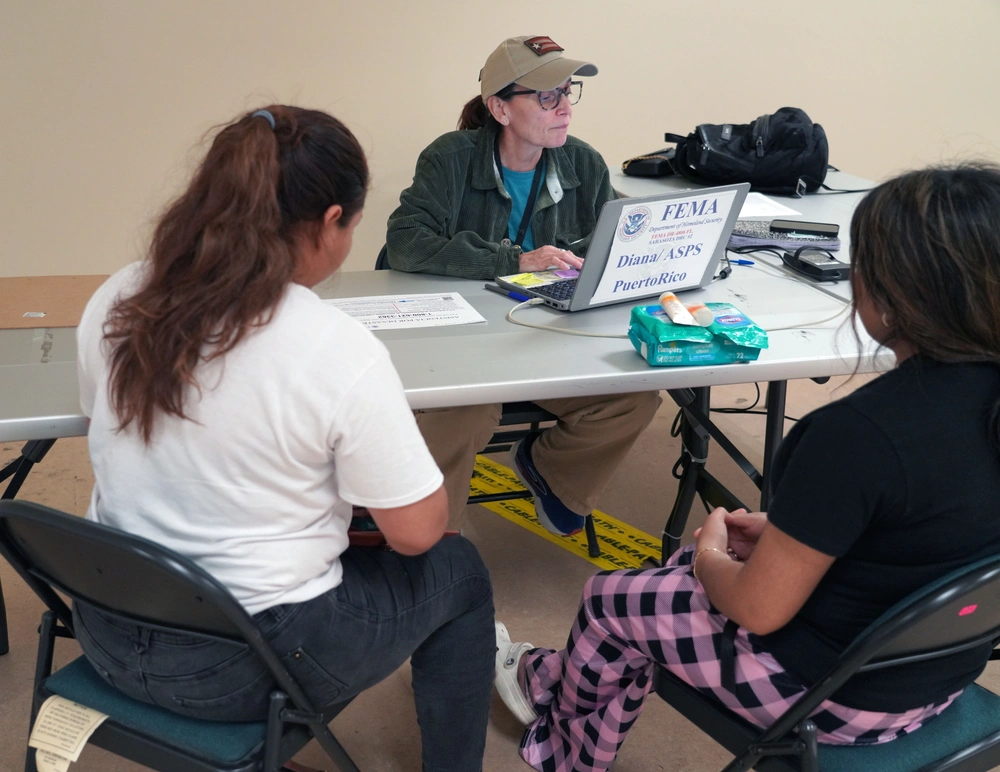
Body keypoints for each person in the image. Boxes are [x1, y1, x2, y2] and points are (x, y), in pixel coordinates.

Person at [492, 163, 1000, 771]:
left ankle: (562, 752)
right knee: (675, 577)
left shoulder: (856, 436)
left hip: (829, 699)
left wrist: (709, 554)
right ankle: (553, 677)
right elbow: (927, 523)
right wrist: (789, 533)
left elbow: (758, 611)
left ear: (896, 296)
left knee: (613, 599)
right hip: (935, 674)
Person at [73, 105, 494, 772]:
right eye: (353, 226)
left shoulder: (120, 295)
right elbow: (415, 534)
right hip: (244, 666)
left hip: (105, 629)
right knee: (458, 568)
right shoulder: (333, 348)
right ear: (330, 222)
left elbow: (113, 438)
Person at [385, 35, 661, 534]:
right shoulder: (449, 158)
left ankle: (552, 470)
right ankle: (431, 545)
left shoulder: (582, 162)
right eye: (546, 95)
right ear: (500, 108)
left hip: (549, 336)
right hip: (468, 343)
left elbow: (612, 240)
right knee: (462, 413)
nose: (564, 109)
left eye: (567, 92)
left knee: (633, 397)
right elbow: (406, 242)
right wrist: (513, 259)